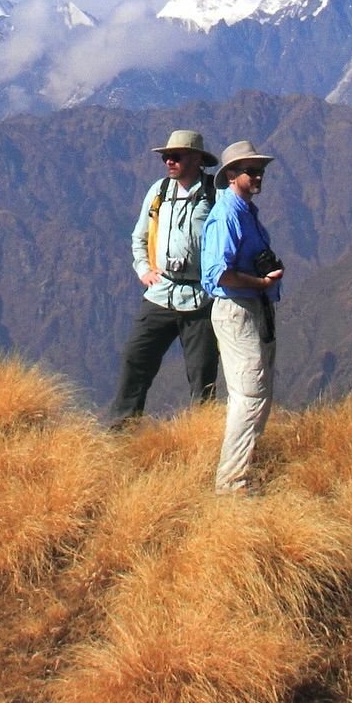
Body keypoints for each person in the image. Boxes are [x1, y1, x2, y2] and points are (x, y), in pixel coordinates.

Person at [106, 130, 220, 427]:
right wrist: (143, 269)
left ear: (196, 159)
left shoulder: (214, 194)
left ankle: (201, 433)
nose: (169, 161)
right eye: (166, 156)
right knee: (136, 359)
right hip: (160, 293)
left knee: (202, 373)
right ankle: (122, 429)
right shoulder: (159, 191)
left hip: (201, 299)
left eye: (176, 156)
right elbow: (139, 236)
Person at [200, 139, 284, 494]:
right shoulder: (228, 214)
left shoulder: (246, 211)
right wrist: (260, 281)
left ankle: (245, 470)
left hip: (253, 308)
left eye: (260, 170)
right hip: (238, 309)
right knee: (249, 395)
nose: (258, 176)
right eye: (251, 171)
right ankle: (232, 484)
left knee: (258, 393)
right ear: (232, 175)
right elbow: (218, 273)